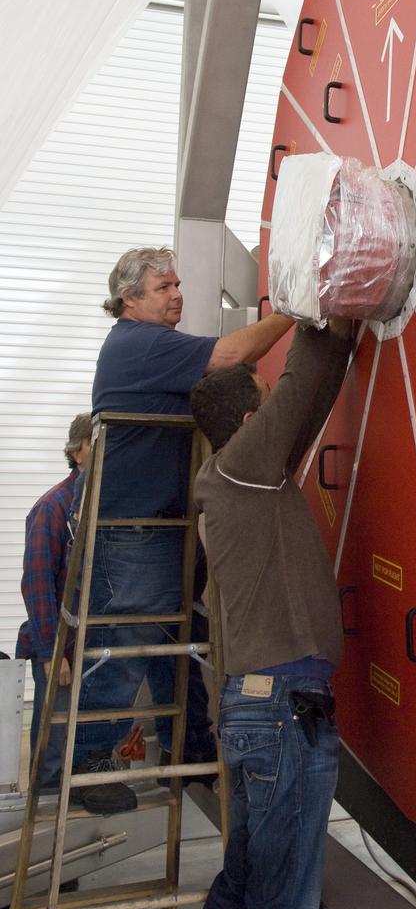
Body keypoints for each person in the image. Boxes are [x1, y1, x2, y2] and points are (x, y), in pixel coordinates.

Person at [72, 246, 294, 814]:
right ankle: (90, 764)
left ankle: (189, 750)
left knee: (169, 647)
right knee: (125, 643)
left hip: (157, 525)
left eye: (177, 284)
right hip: (135, 530)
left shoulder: (148, 347)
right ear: (130, 299)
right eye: (163, 287)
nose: (177, 294)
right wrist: (294, 312)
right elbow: (231, 354)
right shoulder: (141, 343)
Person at [189, 320, 352, 909]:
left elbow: (307, 404)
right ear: (250, 423)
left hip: (261, 706)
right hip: (282, 709)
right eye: (263, 402)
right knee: (282, 895)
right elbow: (298, 384)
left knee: (249, 876)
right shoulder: (241, 466)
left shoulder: (242, 478)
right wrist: (315, 304)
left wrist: (341, 334)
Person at [16, 413, 92, 790]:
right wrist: (52, 651)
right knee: (53, 751)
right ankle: (46, 808)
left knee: (85, 746)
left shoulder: (104, 505)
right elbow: (37, 583)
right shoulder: (53, 508)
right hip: (61, 648)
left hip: (93, 649)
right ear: (78, 453)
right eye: (97, 445)